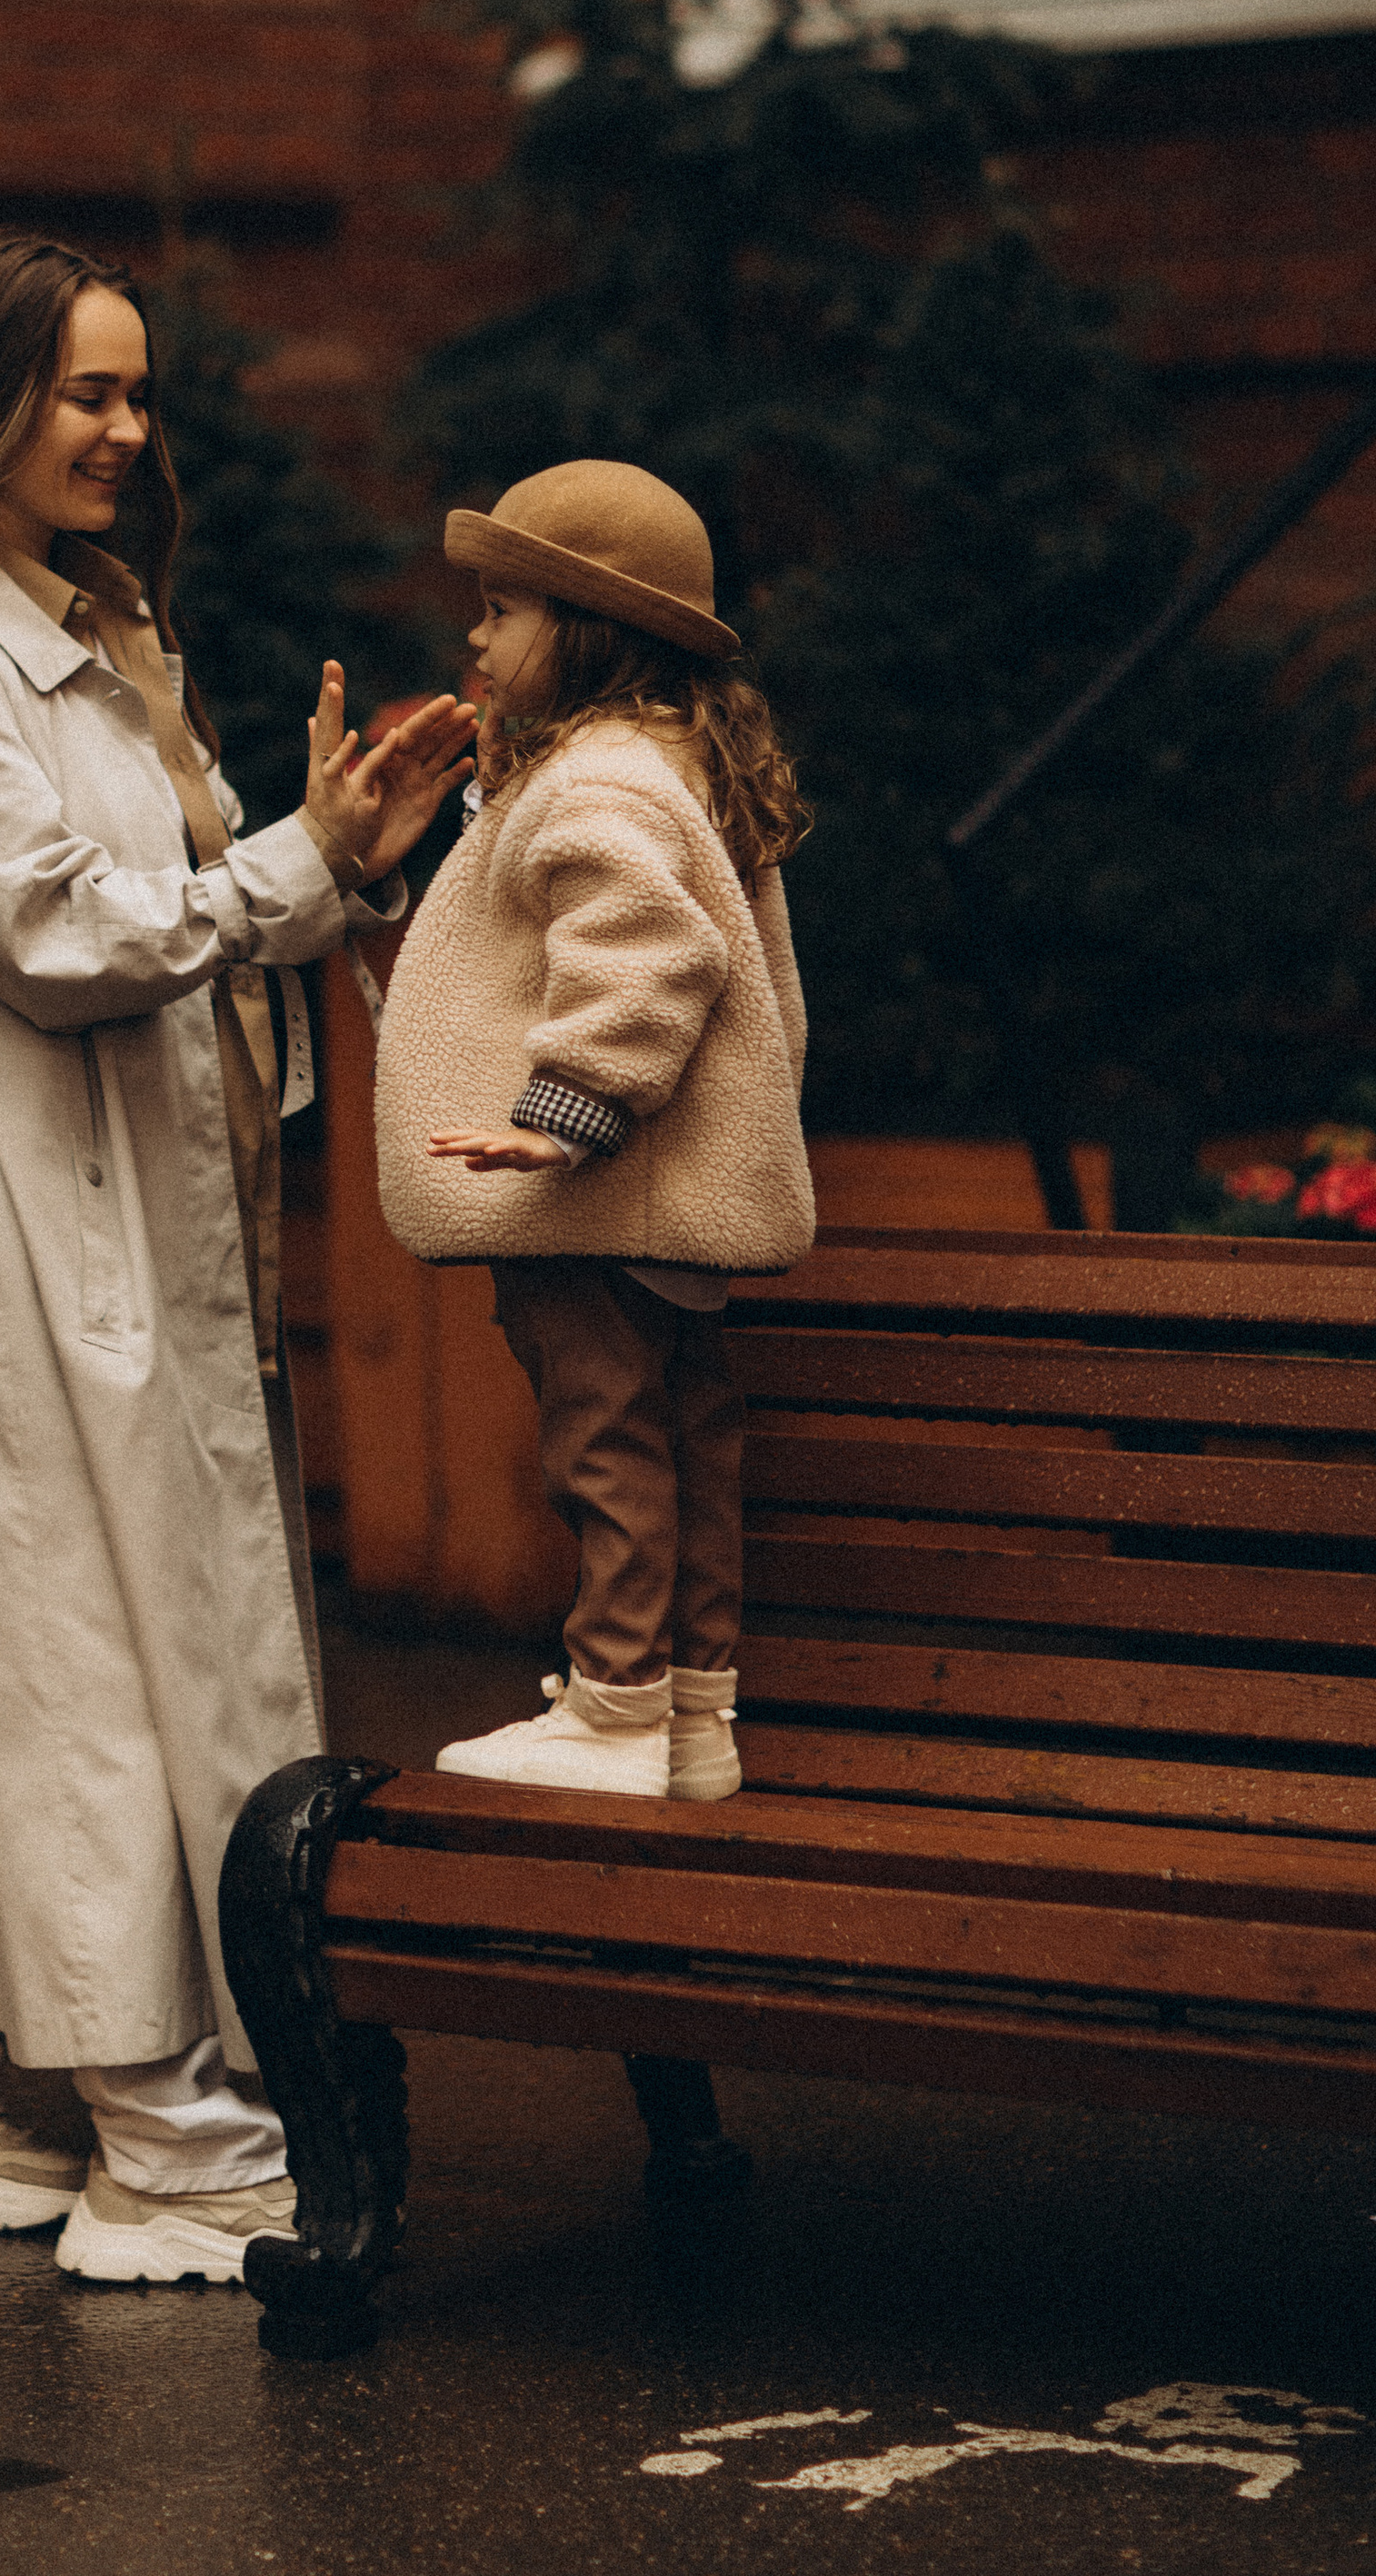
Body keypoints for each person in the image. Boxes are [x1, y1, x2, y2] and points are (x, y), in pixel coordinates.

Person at [0, 231, 473, 2283]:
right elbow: (66, 937)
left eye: (136, 392)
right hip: (17, 1241)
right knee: (86, 1661)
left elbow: (170, 902)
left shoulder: (88, 623)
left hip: (92, 1224)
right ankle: (166, 2140)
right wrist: (291, 867)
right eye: (84, 391)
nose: (122, 428)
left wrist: (315, 853)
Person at [374, 460, 815, 1801]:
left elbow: (646, 955)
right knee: (684, 1436)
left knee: (603, 1441)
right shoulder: (671, 766)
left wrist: (565, 1116)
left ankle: (616, 1706)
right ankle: (692, 1712)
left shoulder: (598, 785)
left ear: (588, 631)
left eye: (503, 610)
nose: (477, 638)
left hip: (605, 1195)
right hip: (663, 1197)